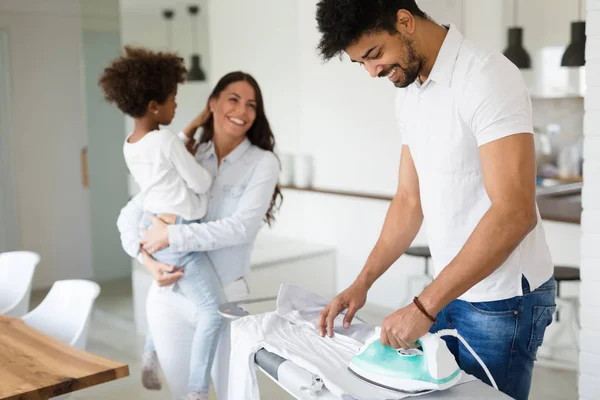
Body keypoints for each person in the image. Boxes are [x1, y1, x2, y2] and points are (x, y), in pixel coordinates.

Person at [314, 1, 556, 399]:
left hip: (502, 296)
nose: (372, 71)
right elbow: (410, 201)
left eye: (374, 54)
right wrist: (363, 283)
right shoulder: (409, 91)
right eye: (361, 63)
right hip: (449, 286)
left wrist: (423, 308)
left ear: (405, 22)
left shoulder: (486, 77)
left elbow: (515, 212)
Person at [116, 71, 282, 399]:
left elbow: (241, 228)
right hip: (170, 298)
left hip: (226, 298)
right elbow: (130, 216)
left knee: (236, 393)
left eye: (252, 104)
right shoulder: (186, 153)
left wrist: (172, 236)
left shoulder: (263, 163)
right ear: (213, 103)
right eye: (233, 99)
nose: (242, 110)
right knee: (185, 395)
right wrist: (146, 260)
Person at [99, 46, 224, 400]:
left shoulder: (132, 144)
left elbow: (163, 164)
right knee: (212, 315)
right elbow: (200, 183)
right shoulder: (166, 142)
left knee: (168, 287)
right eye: (172, 98)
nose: (176, 105)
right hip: (176, 233)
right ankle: (198, 392)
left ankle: (151, 352)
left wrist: (194, 126)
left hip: (150, 226)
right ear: (154, 105)